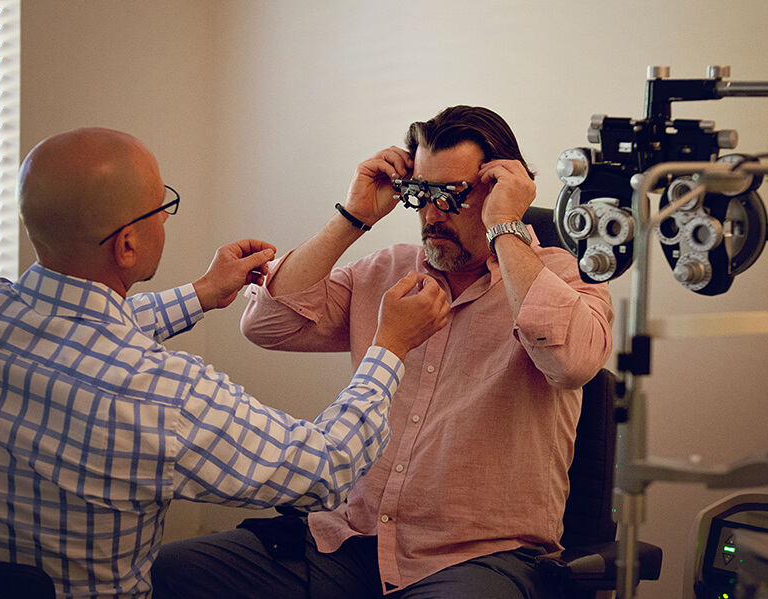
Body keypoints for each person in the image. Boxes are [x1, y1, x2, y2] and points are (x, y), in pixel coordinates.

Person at [0, 127, 451, 599]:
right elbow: (326, 468)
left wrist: (200, 294)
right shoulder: (165, 396)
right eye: (162, 206)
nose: (167, 219)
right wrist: (389, 348)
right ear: (127, 245)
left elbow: (83, 329)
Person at [152, 106, 613, 598]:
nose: (433, 214)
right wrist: (354, 217)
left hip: (479, 559)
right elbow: (267, 324)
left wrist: (505, 226)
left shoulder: (560, 276)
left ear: (502, 188)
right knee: (167, 571)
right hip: (346, 540)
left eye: (452, 196)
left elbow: (571, 364)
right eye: (421, 194)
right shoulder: (387, 271)